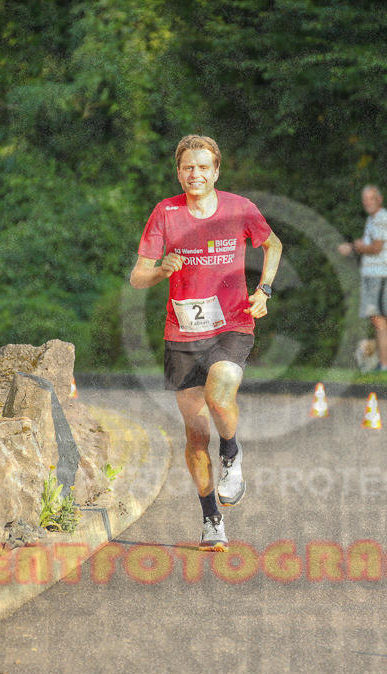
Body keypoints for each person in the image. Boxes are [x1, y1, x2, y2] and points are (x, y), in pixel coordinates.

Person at [130, 134, 282, 552]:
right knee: (197, 437)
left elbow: (272, 244)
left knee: (221, 390)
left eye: (202, 167)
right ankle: (211, 519)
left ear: (216, 171)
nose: (194, 174)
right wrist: (162, 269)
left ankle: (231, 453)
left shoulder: (239, 209)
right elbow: (137, 277)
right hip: (182, 334)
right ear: (178, 172)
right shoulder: (165, 213)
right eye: (187, 168)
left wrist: (264, 290)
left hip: (232, 323)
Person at [338, 185, 387, 372]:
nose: (367, 202)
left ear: (379, 199)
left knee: (379, 320)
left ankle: (385, 365)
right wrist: (354, 246)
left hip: (381, 275)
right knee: (376, 319)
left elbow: (377, 247)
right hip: (374, 275)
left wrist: (357, 247)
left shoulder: (382, 218)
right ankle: (381, 362)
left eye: (371, 198)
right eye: (365, 198)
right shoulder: (372, 219)